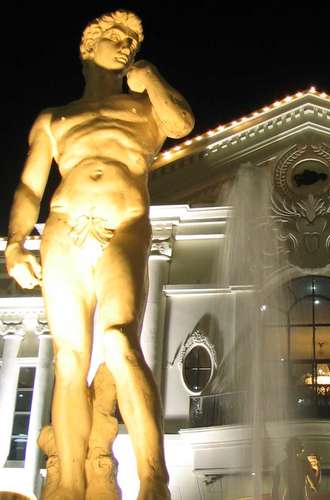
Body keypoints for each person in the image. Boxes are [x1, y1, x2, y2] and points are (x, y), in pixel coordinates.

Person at [5, 10, 194, 500]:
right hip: (64, 229)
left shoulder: (145, 109)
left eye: (132, 40)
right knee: (69, 359)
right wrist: (16, 242)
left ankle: (153, 479)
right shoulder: (54, 118)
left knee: (119, 340)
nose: (126, 44)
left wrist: (150, 76)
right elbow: (30, 186)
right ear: (89, 48)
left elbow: (181, 123)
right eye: (116, 37)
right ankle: (68, 483)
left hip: (124, 225)